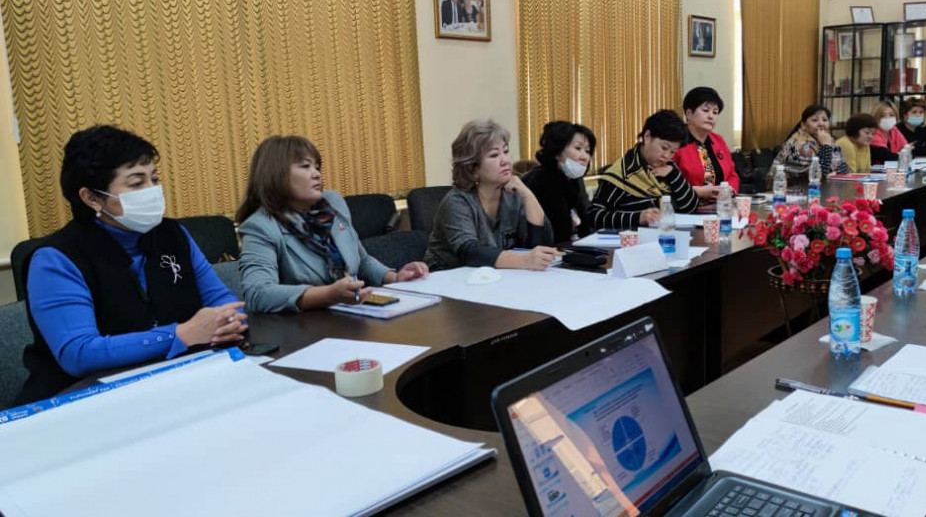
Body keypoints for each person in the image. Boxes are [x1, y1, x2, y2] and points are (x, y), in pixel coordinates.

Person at [16, 126, 245, 404]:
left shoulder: (172, 234)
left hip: (174, 382)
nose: (152, 191)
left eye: (154, 179)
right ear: (92, 198)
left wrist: (229, 321)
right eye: (136, 183)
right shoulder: (55, 258)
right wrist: (178, 335)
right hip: (83, 399)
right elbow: (79, 353)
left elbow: (222, 301)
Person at [237, 136, 428, 313]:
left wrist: (395, 278)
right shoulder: (261, 227)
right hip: (304, 326)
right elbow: (257, 294)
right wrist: (329, 295)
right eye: (305, 166)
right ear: (276, 175)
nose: (317, 174)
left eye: (317, 167)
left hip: (354, 315)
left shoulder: (332, 203)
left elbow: (361, 260)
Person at [424, 120, 556, 271]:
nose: (505, 161)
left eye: (505, 151)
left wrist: (528, 195)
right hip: (447, 277)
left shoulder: (513, 194)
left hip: (496, 276)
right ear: (472, 168)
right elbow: (470, 253)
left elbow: (539, 247)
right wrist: (524, 260)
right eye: (494, 155)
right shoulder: (457, 202)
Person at [588, 110, 700, 229]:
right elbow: (593, 216)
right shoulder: (621, 174)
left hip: (670, 234)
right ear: (647, 137)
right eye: (664, 148)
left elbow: (691, 208)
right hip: (634, 238)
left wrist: (674, 175)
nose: (667, 156)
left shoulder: (668, 167)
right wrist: (637, 218)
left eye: (673, 152)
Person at [522, 121, 597, 244]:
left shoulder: (574, 179)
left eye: (587, 151)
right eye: (578, 148)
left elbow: (584, 224)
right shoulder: (539, 180)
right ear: (557, 152)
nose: (584, 156)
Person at [673, 86, 739, 198]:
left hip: (721, 203)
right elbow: (668, 183)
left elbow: (732, 174)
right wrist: (698, 191)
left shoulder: (718, 140)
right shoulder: (675, 141)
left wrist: (730, 190)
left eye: (715, 112)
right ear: (689, 114)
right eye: (705, 110)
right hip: (689, 204)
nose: (711, 116)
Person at [768, 104, 848, 188]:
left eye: (825, 120)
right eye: (814, 120)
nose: (821, 123)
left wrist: (836, 172)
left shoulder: (827, 139)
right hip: (787, 190)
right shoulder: (799, 144)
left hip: (816, 188)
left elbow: (844, 167)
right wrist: (825, 146)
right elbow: (818, 174)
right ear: (803, 125)